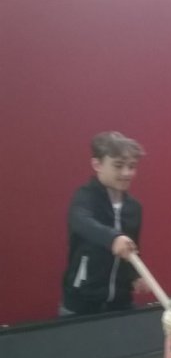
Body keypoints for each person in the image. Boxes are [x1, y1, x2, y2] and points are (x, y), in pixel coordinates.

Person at [60, 131, 148, 316]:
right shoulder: (85, 197)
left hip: (121, 303)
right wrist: (113, 238)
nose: (127, 173)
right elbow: (82, 222)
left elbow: (132, 248)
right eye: (118, 166)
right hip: (81, 304)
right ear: (97, 165)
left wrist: (135, 275)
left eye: (132, 166)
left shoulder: (134, 207)